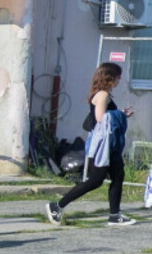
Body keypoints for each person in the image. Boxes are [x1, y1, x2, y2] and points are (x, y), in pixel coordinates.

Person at [47, 62, 133, 226]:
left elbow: (105, 116)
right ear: (110, 77)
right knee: (95, 180)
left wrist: (121, 114)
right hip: (103, 145)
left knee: (118, 176)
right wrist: (120, 114)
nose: (119, 79)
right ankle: (57, 206)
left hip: (110, 144)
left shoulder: (102, 94)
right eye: (118, 76)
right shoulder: (103, 95)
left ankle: (115, 215)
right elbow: (101, 118)